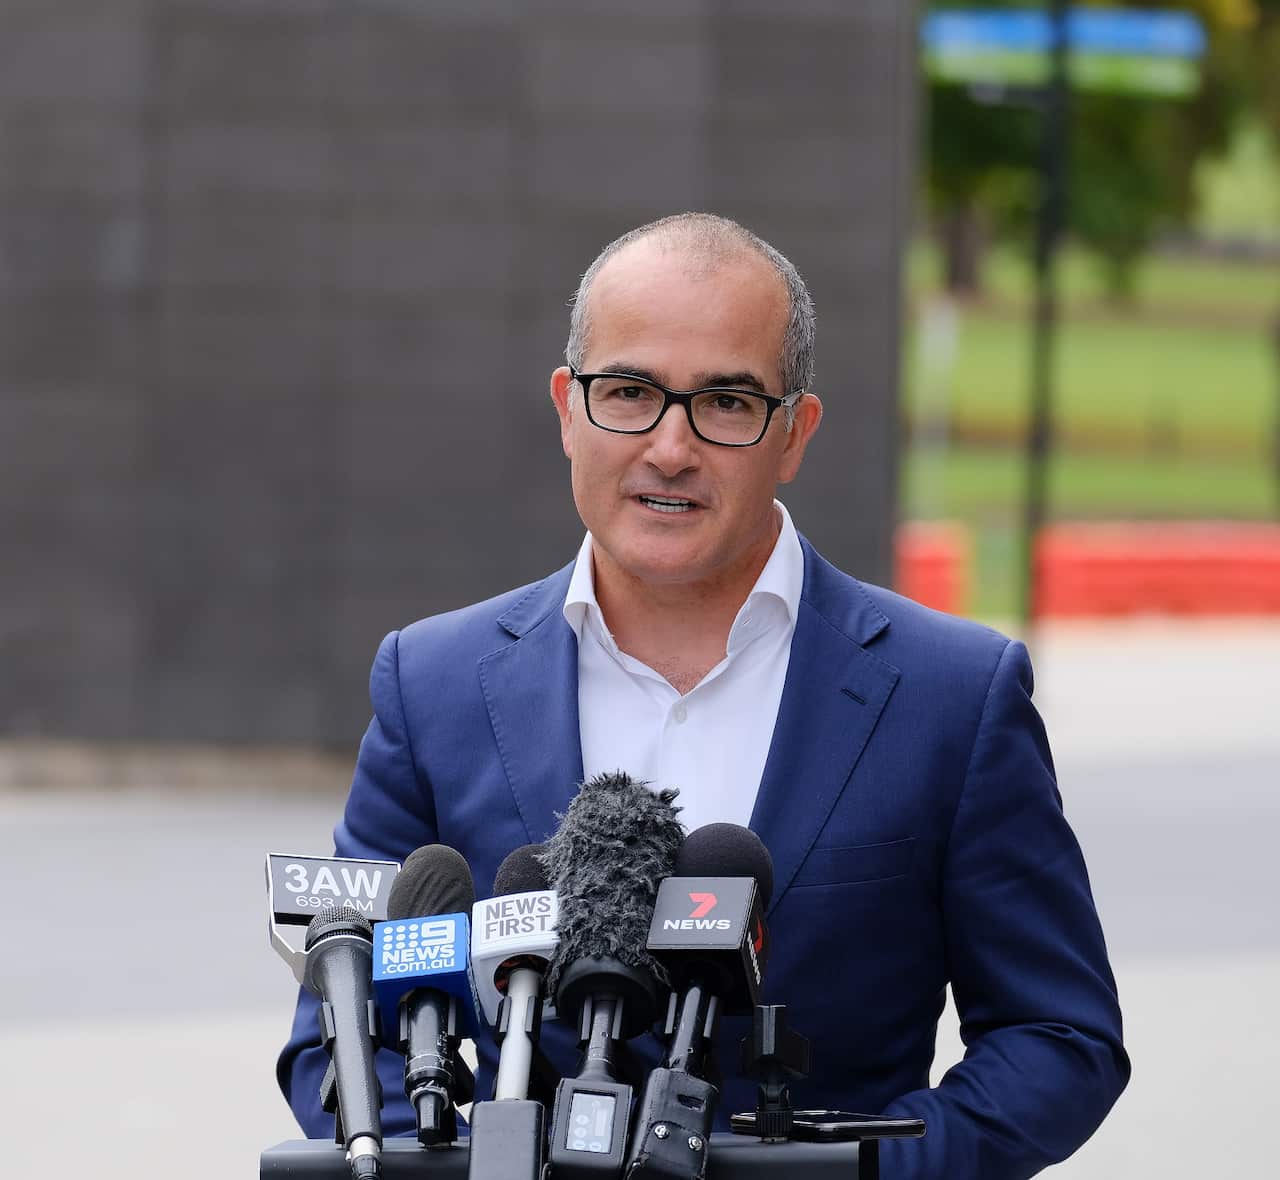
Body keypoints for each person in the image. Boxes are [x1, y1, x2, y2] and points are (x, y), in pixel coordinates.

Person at [279, 213, 1129, 1179]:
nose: (670, 447)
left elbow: (1059, 1039)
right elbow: (340, 1040)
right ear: (568, 409)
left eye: (725, 403)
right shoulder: (430, 685)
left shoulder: (954, 695)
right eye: (629, 392)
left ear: (795, 434)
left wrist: (859, 1173)